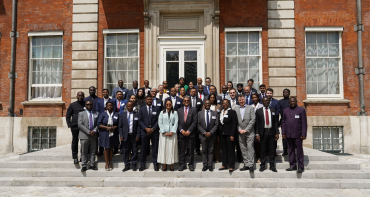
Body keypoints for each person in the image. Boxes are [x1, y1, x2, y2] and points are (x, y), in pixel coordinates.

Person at [282, 97, 307, 173]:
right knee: (290, 150)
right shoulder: (285, 110)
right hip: (288, 135)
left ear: (296, 101)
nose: (292, 102)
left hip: (298, 135)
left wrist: (303, 134)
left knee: (299, 151)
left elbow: (304, 123)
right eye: (291, 101)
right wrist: (283, 132)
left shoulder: (301, 110)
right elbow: (283, 122)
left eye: (293, 101)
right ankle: (292, 166)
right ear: (289, 102)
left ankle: (300, 167)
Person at [255, 97, 279, 172]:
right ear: (262, 102)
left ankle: (272, 166)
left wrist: (277, 132)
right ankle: (262, 165)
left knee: (272, 150)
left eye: (267, 101)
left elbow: (276, 123)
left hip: (271, 132)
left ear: (269, 102)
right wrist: (257, 133)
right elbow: (257, 123)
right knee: (263, 150)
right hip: (263, 132)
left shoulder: (273, 110)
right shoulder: (258, 111)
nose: (266, 102)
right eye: (264, 101)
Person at [138, 96, 160, 171]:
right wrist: (146, 128)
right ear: (145, 100)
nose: (149, 100)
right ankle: (142, 165)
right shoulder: (142, 109)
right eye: (148, 99)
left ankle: (155, 164)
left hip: (154, 132)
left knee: (155, 149)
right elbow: (140, 120)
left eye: (151, 99)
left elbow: (158, 120)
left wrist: (153, 128)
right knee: (143, 149)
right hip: (145, 132)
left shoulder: (156, 108)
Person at [234, 95, 256, 172]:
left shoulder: (250, 108)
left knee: (250, 148)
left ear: (245, 99)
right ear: (238, 101)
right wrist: (239, 129)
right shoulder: (235, 109)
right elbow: (234, 121)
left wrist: (246, 130)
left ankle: (251, 165)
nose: (241, 101)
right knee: (243, 149)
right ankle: (246, 164)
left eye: (242, 99)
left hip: (249, 132)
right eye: (240, 100)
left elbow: (253, 120)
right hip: (240, 133)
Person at [177, 96, 198, 171]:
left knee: (191, 150)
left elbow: (195, 121)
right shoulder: (179, 110)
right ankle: (182, 164)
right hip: (181, 133)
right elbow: (177, 121)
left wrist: (189, 130)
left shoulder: (194, 109)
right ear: (183, 102)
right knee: (182, 150)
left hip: (190, 133)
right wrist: (181, 130)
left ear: (189, 101)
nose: (186, 101)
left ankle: (191, 164)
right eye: (185, 100)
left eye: (187, 100)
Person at [198, 100, 219, 171]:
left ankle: (210, 165)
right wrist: (204, 132)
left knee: (211, 150)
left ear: (210, 104)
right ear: (204, 104)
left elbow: (216, 124)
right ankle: (204, 165)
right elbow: (198, 124)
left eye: (208, 103)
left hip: (212, 135)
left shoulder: (215, 113)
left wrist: (211, 132)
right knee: (204, 151)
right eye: (206, 103)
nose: (207, 104)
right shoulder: (200, 113)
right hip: (203, 135)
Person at [78, 100, 99, 172]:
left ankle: (92, 164)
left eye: (90, 104)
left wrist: (94, 131)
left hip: (93, 135)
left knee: (93, 151)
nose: (89, 106)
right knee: (84, 151)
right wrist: (88, 132)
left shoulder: (96, 113)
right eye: (88, 105)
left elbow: (98, 124)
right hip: (84, 135)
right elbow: (80, 124)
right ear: (85, 105)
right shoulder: (81, 113)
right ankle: (84, 165)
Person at [97, 101, 119, 171]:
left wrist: (114, 127)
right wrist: (107, 127)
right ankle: (106, 163)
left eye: (111, 105)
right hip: (105, 133)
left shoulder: (116, 114)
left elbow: (119, 123)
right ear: (106, 107)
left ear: (113, 107)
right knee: (106, 148)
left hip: (113, 133)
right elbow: (98, 124)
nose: (110, 107)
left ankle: (110, 162)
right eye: (108, 106)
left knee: (111, 147)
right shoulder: (103, 114)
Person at [158, 100, 179, 171]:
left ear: (172, 104)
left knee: (171, 149)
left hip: (172, 134)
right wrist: (164, 132)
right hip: (164, 134)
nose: (168, 105)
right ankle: (164, 165)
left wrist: (172, 131)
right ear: (165, 105)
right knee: (164, 149)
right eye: (167, 104)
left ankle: (171, 165)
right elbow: (160, 123)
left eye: (170, 104)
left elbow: (176, 122)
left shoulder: (175, 112)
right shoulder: (162, 112)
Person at [119, 101, 140, 172]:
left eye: (131, 106)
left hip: (134, 136)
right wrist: (121, 135)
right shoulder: (122, 115)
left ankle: (134, 165)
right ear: (126, 107)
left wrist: (138, 135)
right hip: (125, 136)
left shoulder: (136, 115)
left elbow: (139, 127)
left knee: (134, 151)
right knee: (125, 151)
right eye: (128, 106)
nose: (130, 107)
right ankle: (127, 165)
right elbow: (120, 127)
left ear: (133, 107)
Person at [66, 92, 86, 164]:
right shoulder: (72, 105)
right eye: (79, 95)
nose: (80, 97)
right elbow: (68, 115)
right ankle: (75, 157)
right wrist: (69, 124)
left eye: (82, 95)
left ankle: (82, 157)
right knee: (75, 142)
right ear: (77, 96)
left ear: (84, 96)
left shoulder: (86, 104)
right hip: (75, 127)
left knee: (83, 142)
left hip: (84, 127)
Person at [218, 99, 238, 172]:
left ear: (229, 104)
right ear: (222, 104)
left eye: (226, 103)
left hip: (230, 134)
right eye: (223, 103)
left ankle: (231, 166)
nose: (225, 104)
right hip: (222, 134)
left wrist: (232, 134)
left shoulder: (232, 112)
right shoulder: (221, 112)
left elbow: (234, 124)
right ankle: (224, 165)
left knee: (231, 150)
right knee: (224, 150)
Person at [203, 94, 222, 163]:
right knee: (208, 145)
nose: (212, 99)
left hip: (216, 127)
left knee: (216, 143)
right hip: (207, 127)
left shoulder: (219, 106)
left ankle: (217, 158)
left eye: (213, 98)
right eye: (211, 97)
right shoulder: (204, 106)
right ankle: (210, 158)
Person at [266, 88, 281, 155]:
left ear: (272, 94)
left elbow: (278, 111)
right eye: (268, 93)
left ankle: (274, 151)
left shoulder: (276, 102)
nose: (269, 94)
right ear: (266, 93)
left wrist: (272, 114)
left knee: (274, 138)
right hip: (265, 122)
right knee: (266, 138)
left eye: (270, 93)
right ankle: (267, 151)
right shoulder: (262, 101)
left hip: (274, 122)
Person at [190, 87, 203, 156]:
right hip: (189, 121)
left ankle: (197, 150)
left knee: (197, 136)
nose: (193, 93)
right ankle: (188, 150)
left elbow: (201, 110)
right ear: (190, 92)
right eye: (192, 91)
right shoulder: (187, 100)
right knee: (189, 136)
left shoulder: (199, 100)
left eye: (195, 91)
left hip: (197, 121)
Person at [250, 92, 263, 163]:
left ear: (258, 98)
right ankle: (255, 156)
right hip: (252, 127)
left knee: (259, 142)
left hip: (260, 126)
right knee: (254, 142)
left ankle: (260, 157)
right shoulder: (250, 106)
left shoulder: (261, 106)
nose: (254, 99)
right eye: (253, 97)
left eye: (255, 97)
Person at [279, 88, 291, 156]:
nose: (285, 94)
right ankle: (285, 150)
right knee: (284, 136)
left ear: (289, 93)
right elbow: (279, 111)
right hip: (283, 121)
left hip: (291, 122)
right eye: (284, 92)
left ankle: (291, 150)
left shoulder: (291, 101)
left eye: (287, 92)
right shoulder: (280, 101)